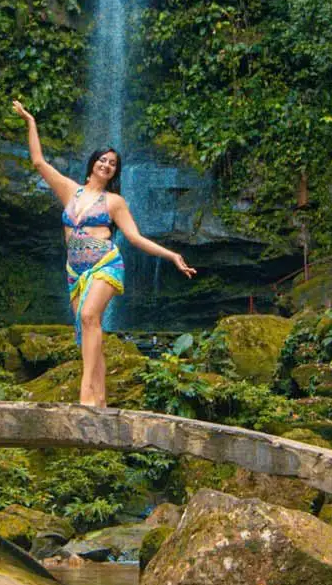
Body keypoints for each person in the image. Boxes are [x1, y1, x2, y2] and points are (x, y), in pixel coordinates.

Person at [14, 99, 196, 407]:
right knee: (87, 331)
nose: (107, 164)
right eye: (103, 159)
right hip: (75, 272)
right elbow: (38, 162)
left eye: (112, 163)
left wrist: (172, 256)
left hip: (106, 264)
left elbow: (135, 237)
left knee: (89, 317)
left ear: (114, 172)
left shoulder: (114, 202)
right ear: (93, 164)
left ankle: (86, 399)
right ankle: (100, 400)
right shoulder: (69, 191)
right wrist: (31, 121)